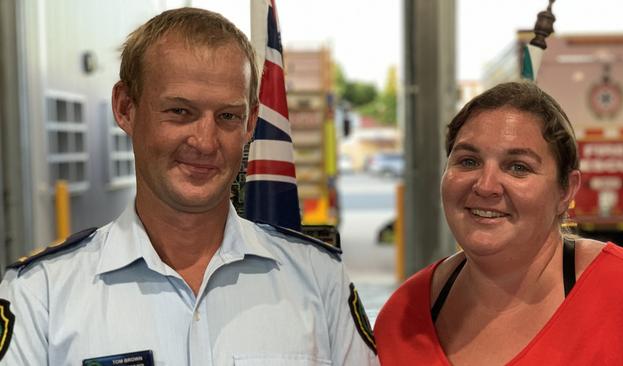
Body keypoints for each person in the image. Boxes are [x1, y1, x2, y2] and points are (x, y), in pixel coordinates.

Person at [0, 8, 378, 365]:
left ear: (250, 125)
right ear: (125, 108)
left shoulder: (319, 279)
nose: (205, 141)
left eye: (228, 116)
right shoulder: (41, 293)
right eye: (180, 112)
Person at [374, 81, 623, 365]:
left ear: (565, 190)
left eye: (518, 167)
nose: (486, 185)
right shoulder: (402, 319)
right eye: (468, 161)